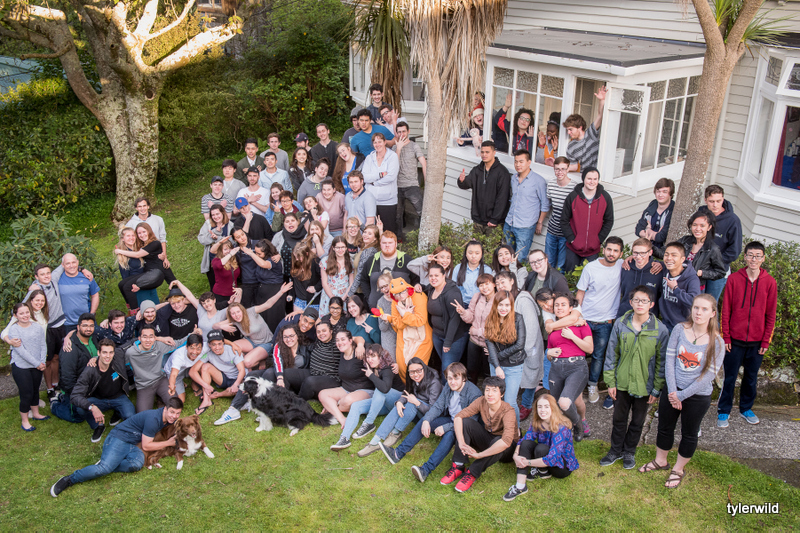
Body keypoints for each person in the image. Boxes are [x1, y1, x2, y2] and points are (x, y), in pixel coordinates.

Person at [642, 294, 724, 489]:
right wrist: (673, 391)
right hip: (672, 391)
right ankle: (660, 460)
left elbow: (708, 375)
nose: (698, 312)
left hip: (697, 396)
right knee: (664, 427)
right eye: (696, 308)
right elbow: (669, 360)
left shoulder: (717, 342)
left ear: (713, 313)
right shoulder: (679, 329)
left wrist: (682, 395)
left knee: (689, 433)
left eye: (704, 309)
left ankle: (678, 469)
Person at [50, 398, 184, 497]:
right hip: (118, 438)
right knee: (103, 469)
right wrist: (168, 443)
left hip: (132, 444)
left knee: (137, 464)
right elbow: (146, 446)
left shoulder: (168, 419)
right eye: (172, 412)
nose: (174, 416)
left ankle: (110, 462)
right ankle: (70, 479)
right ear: (165, 408)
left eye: (178, 413)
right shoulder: (153, 419)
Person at [601, 286, 668, 470]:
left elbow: (661, 362)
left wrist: (657, 388)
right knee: (619, 419)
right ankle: (615, 450)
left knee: (638, 422)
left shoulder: (660, 330)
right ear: (630, 302)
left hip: (644, 385)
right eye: (637, 300)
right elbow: (612, 354)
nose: (640, 304)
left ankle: (629, 451)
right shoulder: (620, 324)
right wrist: (610, 382)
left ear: (651, 304)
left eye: (644, 301)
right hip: (622, 382)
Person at [379, 362, 483, 481]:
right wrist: (427, 420)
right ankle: (397, 453)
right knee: (425, 420)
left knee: (449, 434)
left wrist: (446, 427)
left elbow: (469, 422)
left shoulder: (474, 394)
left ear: (464, 378)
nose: (452, 382)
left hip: (464, 428)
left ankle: (426, 470)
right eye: (449, 378)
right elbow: (438, 406)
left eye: (456, 378)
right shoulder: (449, 387)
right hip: (451, 419)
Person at [718, 241, 777, 428]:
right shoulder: (734, 279)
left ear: (763, 258)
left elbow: (771, 314)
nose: (754, 259)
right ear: (745, 257)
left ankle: (746, 409)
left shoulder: (770, 282)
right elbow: (725, 310)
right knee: (729, 377)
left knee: (751, 378)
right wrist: (726, 336)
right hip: (734, 341)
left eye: (758, 256)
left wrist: (766, 341)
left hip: (757, 342)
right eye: (750, 255)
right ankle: (724, 410)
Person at [442, 376, 517, 493]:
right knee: (466, 422)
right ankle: (458, 465)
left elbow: (506, 441)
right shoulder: (482, 401)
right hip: (489, 438)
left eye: (494, 390)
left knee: (499, 442)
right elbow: (458, 417)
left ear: (502, 394)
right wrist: (461, 443)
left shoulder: (508, 411)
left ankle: (472, 473)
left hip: (508, 449)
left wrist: (480, 455)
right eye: (487, 390)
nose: (490, 394)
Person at [357, 357, 441, 457]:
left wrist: (417, 403)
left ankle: (396, 432)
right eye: (412, 372)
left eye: (418, 371)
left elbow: (433, 411)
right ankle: (375, 440)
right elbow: (406, 393)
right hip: (415, 411)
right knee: (401, 405)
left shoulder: (434, 383)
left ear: (424, 368)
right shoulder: (413, 379)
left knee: (411, 403)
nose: (415, 374)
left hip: (428, 416)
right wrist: (399, 402)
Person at [503, 394, 579, 501]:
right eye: (540, 407)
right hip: (545, 455)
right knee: (526, 443)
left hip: (561, 467)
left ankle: (543, 470)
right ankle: (521, 486)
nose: (542, 410)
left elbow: (552, 458)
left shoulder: (561, 428)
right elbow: (524, 439)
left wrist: (526, 462)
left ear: (553, 408)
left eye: (546, 407)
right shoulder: (537, 422)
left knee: (541, 449)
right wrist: (515, 456)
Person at [576, 237, 623, 406]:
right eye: (609, 249)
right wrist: (577, 315)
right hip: (586, 319)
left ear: (621, 253)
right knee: (578, 354)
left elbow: (640, 259)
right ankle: (576, 386)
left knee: (598, 356)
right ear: (603, 249)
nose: (611, 253)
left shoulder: (622, 265)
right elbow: (580, 292)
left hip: (605, 322)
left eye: (616, 251)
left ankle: (592, 385)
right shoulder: (591, 267)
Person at [494, 271, 545, 423]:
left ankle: (527, 405)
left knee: (530, 376)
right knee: (520, 377)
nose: (500, 285)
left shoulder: (522, 300)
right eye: (497, 283)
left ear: (512, 281)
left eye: (503, 282)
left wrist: (524, 350)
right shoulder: (505, 299)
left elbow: (532, 328)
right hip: (515, 347)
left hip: (529, 347)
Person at [331, 343, 402, 450]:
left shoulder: (388, 369)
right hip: (382, 403)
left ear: (381, 357)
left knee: (380, 389)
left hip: (397, 402)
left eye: (373, 356)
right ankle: (344, 438)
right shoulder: (371, 368)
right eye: (368, 357)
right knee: (356, 405)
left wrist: (371, 375)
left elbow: (385, 389)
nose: (370, 359)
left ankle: (368, 423)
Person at [546, 292, 593, 439]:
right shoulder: (552, 329)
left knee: (567, 402)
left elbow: (589, 349)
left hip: (576, 367)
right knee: (559, 404)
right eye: (556, 305)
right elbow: (549, 354)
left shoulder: (582, 325)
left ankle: (580, 422)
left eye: (563, 305)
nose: (559, 308)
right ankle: (567, 428)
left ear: (571, 308)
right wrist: (549, 353)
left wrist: (572, 337)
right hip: (556, 368)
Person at [71, 339, 136, 442]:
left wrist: (158, 338)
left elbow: (133, 341)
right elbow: (75, 395)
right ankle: (98, 425)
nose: (108, 356)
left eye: (111, 352)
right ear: (98, 353)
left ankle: (118, 412)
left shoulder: (118, 355)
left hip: (119, 397)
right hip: (99, 399)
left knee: (130, 416)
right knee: (80, 408)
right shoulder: (90, 370)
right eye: (104, 352)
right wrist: (92, 407)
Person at [216, 287, 289, 369]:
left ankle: (260, 359)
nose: (236, 315)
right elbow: (214, 325)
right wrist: (221, 326)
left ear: (242, 310)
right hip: (251, 341)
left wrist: (281, 292)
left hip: (266, 343)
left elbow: (268, 304)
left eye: (238, 312)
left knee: (247, 362)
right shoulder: (234, 320)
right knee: (231, 347)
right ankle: (248, 366)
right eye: (233, 313)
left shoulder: (251, 312)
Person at [560, 167, 614, 273]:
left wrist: (598, 240)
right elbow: (564, 221)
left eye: (595, 179)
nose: (592, 182)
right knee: (570, 276)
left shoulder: (605, 197)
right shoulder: (573, 197)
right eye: (589, 179)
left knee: (590, 278)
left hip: (593, 250)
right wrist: (572, 239)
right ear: (583, 179)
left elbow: (609, 221)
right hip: (573, 248)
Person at [378, 277, 433, 381]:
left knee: (417, 366)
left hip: (421, 336)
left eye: (402, 292)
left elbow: (420, 321)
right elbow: (397, 324)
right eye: (396, 294)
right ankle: (408, 388)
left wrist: (404, 315)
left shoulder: (418, 297)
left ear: (407, 289)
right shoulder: (395, 302)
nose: (400, 296)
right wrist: (407, 316)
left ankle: (421, 388)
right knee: (403, 367)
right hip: (404, 336)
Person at [5, 302, 48, 431]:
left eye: (27, 312)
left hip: (38, 365)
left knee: (35, 390)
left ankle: (36, 413)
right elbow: (21, 351)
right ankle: (25, 421)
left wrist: (42, 362)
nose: (25, 315)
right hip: (21, 366)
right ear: (15, 315)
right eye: (21, 313)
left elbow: (43, 344)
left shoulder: (37, 327)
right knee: (26, 394)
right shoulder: (14, 330)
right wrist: (37, 363)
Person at [484, 290, 526, 422]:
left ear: (511, 306)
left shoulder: (518, 318)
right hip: (496, 365)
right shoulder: (490, 318)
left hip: (514, 365)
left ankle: (515, 429)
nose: (504, 308)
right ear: (495, 304)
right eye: (501, 305)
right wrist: (497, 365)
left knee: (509, 401)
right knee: (496, 400)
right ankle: (499, 427)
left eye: (507, 305)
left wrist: (497, 357)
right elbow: (489, 343)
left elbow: (519, 345)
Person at [318, 331, 375, 426]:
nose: (340, 342)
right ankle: (341, 418)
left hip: (365, 390)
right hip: (346, 389)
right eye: (337, 340)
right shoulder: (342, 352)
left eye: (343, 339)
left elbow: (359, 338)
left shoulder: (360, 351)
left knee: (347, 401)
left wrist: (360, 345)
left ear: (350, 341)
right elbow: (350, 338)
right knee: (322, 394)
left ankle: (332, 409)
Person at [456, 141, 511, 236]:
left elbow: (503, 198)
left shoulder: (502, 172)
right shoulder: (477, 170)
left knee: (492, 246)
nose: (484, 155)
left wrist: (495, 219)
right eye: (482, 152)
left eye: (487, 152)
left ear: (494, 153)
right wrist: (461, 180)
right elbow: (466, 184)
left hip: (494, 223)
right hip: (478, 220)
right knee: (476, 245)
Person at [698, 185, 743, 302]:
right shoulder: (701, 214)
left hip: (718, 270)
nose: (715, 205)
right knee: (697, 301)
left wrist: (714, 262)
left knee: (710, 303)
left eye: (718, 201)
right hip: (700, 267)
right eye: (711, 201)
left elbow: (734, 251)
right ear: (705, 200)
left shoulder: (733, 220)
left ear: (723, 199)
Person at [50, 313, 97, 423]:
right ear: (78, 327)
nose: (88, 329)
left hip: (90, 385)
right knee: (77, 417)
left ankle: (62, 398)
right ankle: (55, 405)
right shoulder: (70, 349)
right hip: (75, 389)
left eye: (91, 326)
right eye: (85, 326)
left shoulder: (94, 338)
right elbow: (67, 377)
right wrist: (76, 395)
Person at [504, 150, 550, 260]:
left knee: (520, 258)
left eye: (521, 161)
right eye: (516, 162)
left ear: (529, 162)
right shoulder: (514, 178)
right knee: (507, 255)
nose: (518, 165)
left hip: (525, 226)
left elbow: (545, 204)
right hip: (509, 222)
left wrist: (540, 222)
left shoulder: (538, 181)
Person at [426, 263, 469, 381]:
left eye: (436, 275)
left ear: (443, 275)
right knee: (445, 367)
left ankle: (449, 390)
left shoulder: (452, 293)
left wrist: (448, 342)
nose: (433, 278)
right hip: (437, 334)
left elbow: (455, 318)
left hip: (453, 338)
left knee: (448, 368)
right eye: (431, 276)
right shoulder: (431, 289)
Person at [359, 230, 417, 308]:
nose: (387, 245)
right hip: (376, 309)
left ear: (396, 244)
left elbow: (416, 280)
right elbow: (363, 280)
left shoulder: (406, 260)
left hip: (402, 309)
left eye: (390, 243)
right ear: (380, 244)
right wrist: (369, 298)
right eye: (384, 243)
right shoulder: (372, 260)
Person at [455, 273, 495, 384]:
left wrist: (476, 331)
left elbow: (497, 328)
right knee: (471, 370)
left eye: (487, 284)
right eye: (481, 285)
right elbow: (471, 317)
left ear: (494, 284)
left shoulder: (499, 300)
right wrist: (463, 312)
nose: (484, 287)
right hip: (474, 341)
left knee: (488, 372)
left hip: (489, 343)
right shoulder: (477, 297)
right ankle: (471, 390)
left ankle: (488, 391)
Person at [114, 227, 164, 313]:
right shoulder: (123, 256)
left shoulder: (140, 249)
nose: (131, 238)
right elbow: (125, 278)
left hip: (149, 283)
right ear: (122, 239)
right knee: (146, 313)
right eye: (128, 236)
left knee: (157, 311)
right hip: (138, 288)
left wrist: (162, 256)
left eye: (133, 235)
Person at [545, 157, 580, 271]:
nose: (560, 172)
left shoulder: (574, 188)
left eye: (563, 169)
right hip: (552, 230)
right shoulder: (551, 184)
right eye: (557, 169)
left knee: (561, 266)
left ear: (568, 169)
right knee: (548, 263)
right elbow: (549, 205)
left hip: (566, 233)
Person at [678, 211, 726, 292]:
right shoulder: (685, 240)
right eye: (694, 225)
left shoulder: (712, 249)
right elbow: (666, 252)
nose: (697, 229)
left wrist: (701, 273)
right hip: (677, 284)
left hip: (695, 288)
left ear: (709, 227)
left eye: (702, 226)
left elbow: (720, 272)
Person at [196, 329, 246, 406]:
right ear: (209, 345)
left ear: (223, 343)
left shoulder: (232, 350)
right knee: (205, 366)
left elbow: (242, 370)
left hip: (237, 379)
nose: (217, 347)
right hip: (223, 377)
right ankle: (206, 398)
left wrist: (236, 384)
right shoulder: (208, 353)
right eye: (213, 344)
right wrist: (206, 385)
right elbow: (194, 369)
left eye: (219, 344)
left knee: (242, 390)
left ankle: (218, 394)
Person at [361, 133, 400, 235]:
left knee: (388, 231)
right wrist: (380, 175)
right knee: (372, 231)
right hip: (371, 200)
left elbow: (391, 176)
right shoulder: (369, 158)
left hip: (388, 201)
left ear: (385, 142)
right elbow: (364, 177)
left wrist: (374, 183)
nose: (377, 144)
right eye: (375, 142)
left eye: (379, 142)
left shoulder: (392, 156)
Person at [659, 241, 702, 332]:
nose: (669, 258)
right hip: (665, 323)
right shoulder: (664, 269)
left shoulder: (692, 278)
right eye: (666, 255)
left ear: (682, 259)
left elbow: (694, 301)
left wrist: (676, 289)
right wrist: (631, 258)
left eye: (674, 255)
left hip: (683, 326)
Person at [393, 122, 426, 239]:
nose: (401, 134)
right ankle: (398, 239)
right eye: (399, 132)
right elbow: (393, 166)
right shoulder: (394, 148)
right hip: (397, 186)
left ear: (408, 132)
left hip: (412, 185)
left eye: (404, 131)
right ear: (396, 133)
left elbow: (423, 163)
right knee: (397, 215)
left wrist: (426, 182)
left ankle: (422, 237)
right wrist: (398, 148)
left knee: (421, 211)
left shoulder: (414, 146)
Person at [618, 238, 665, 319]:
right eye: (635, 253)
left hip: (648, 320)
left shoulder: (658, 272)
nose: (638, 257)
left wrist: (662, 264)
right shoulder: (625, 268)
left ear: (650, 252)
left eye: (643, 253)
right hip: (624, 318)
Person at [563, 85, 607, 172]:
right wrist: (562, 168)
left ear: (580, 127)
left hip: (599, 174)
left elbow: (600, 115)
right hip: (584, 175)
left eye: (570, 129)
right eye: (567, 130)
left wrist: (602, 100)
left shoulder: (591, 134)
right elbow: (574, 166)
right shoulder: (571, 147)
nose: (568, 132)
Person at [634, 178, 675, 259]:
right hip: (646, 250)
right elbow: (638, 230)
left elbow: (661, 237)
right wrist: (654, 234)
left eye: (664, 192)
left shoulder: (673, 209)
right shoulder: (653, 204)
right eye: (658, 191)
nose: (660, 195)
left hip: (662, 253)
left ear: (670, 194)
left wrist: (647, 230)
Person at [198, 204, 234, 291]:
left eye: (217, 214)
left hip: (227, 257)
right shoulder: (208, 224)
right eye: (213, 215)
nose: (215, 217)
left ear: (223, 213)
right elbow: (201, 239)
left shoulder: (230, 225)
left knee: (227, 283)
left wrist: (217, 237)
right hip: (212, 257)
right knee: (214, 284)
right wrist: (213, 235)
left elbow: (232, 242)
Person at [125, 197, 168, 268]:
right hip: (141, 257)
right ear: (136, 208)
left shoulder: (158, 220)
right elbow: (127, 241)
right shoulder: (130, 224)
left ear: (148, 206)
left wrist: (165, 257)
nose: (142, 208)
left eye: (144, 206)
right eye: (139, 206)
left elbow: (162, 239)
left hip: (157, 255)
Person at [452, 240, 494, 305]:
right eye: (470, 253)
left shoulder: (487, 270)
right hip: (461, 303)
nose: (473, 256)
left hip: (480, 304)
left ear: (481, 254)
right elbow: (454, 288)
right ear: (466, 254)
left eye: (477, 253)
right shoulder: (458, 268)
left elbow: (490, 290)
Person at [272, 213, 308, 285]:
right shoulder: (278, 236)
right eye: (287, 221)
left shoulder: (305, 235)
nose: (290, 223)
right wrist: (277, 255)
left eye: (292, 220)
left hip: (301, 274)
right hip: (283, 274)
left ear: (297, 222)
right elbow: (271, 251)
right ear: (284, 224)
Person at [290, 243, 322, 310]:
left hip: (313, 300)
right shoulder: (296, 262)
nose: (297, 259)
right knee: (296, 316)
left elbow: (324, 278)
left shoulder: (315, 262)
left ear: (306, 254)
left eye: (299, 257)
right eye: (295, 256)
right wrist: (291, 294)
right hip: (299, 299)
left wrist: (316, 288)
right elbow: (293, 281)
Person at [210, 239, 241, 310]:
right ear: (220, 251)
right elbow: (218, 265)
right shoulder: (216, 260)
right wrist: (230, 254)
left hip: (233, 293)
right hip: (221, 294)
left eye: (230, 248)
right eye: (225, 249)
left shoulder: (234, 260)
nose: (228, 251)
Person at [350, 223, 380, 296]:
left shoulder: (369, 251)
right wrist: (360, 224)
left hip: (361, 291)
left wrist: (350, 293)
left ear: (375, 238)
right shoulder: (366, 247)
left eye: (369, 234)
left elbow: (360, 274)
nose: (366, 235)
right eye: (365, 232)